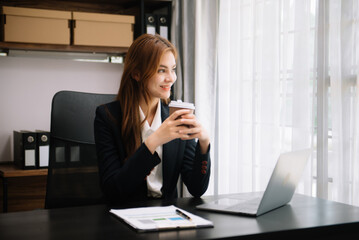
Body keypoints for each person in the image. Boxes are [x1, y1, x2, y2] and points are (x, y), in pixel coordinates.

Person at [94, 34, 211, 206]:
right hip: (123, 217)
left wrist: (204, 142)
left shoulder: (176, 115)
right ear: (137, 73)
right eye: (161, 70)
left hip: (166, 216)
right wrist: (155, 140)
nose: (171, 78)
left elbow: (197, 188)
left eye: (173, 69)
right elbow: (113, 191)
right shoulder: (107, 117)